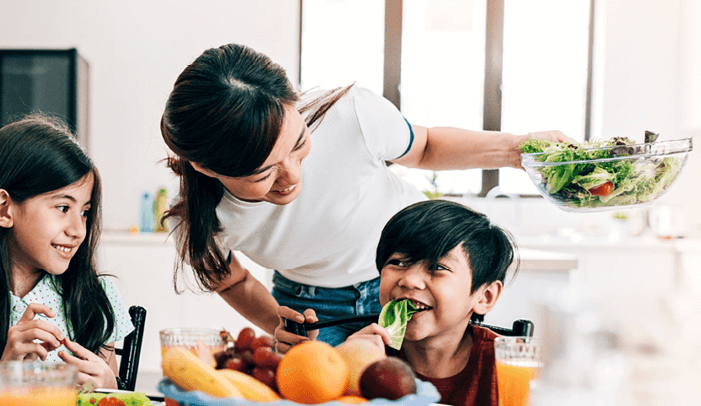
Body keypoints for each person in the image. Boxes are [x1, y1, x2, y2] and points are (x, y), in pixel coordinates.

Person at [159, 43, 572, 348]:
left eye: (299, 144)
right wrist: (278, 325)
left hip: (418, 275)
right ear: (207, 168)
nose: (292, 176)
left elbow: (425, 148)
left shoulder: (349, 116)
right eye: (263, 172)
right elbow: (234, 282)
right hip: (312, 308)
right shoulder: (198, 223)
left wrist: (518, 151)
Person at [0, 115, 134, 397]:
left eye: (85, 212)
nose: (78, 230)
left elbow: (112, 391)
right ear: (5, 209)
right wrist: (3, 376)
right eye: (62, 208)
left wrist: (111, 388)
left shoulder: (94, 297)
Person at [342, 199, 515, 406]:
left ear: (484, 297)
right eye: (397, 263)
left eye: (438, 267)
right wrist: (346, 372)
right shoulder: (364, 356)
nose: (409, 280)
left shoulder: (508, 365)